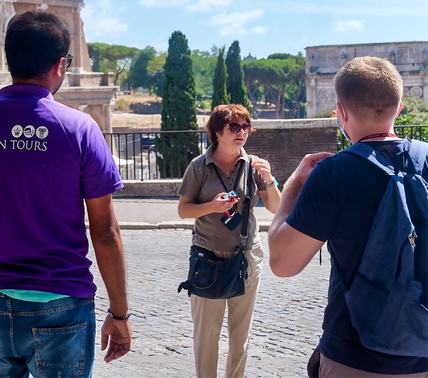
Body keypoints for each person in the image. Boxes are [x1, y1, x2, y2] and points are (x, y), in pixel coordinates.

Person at [0, 10, 132, 378]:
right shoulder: (79, 128)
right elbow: (105, 231)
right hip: (61, 301)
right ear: (60, 65)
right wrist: (120, 313)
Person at [268, 56, 428, 377]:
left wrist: (292, 188)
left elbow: (283, 264)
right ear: (399, 108)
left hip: (353, 357)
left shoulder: (333, 173)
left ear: (340, 112)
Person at [177, 104, 281, 378]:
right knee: (206, 336)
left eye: (245, 126)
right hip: (208, 259)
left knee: (240, 336)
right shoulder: (199, 167)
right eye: (234, 127)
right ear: (217, 132)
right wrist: (211, 207)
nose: (242, 132)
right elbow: (183, 210)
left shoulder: (253, 165)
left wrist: (270, 180)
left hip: (246, 258)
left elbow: (275, 207)